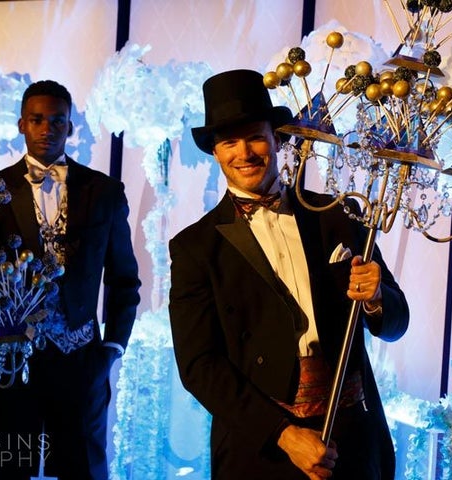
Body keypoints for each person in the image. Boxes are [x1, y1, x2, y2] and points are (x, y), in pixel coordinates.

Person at [168, 69, 409, 480]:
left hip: (352, 439)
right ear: (215, 152)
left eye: (255, 136)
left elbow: (396, 323)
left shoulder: (338, 216)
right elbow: (199, 367)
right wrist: (283, 434)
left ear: (277, 139)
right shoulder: (194, 248)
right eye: (229, 142)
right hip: (262, 447)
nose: (244, 152)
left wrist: (377, 298)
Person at [0, 79, 141, 480]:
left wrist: (111, 350)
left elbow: (125, 280)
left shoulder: (104, 191)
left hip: (81, 356)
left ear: (70, 127)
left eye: (57, 120)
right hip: (9, 358)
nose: (47, 128)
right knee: (8, 468)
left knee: (82, 469)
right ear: (21, 124)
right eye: (37, 119)